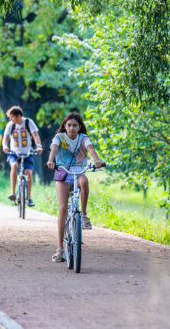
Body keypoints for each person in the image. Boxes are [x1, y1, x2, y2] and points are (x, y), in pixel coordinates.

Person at [46, 112, 103, 262]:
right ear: (64, 126)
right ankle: (59, 249)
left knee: (84, 182)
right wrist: (50, 161)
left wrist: (97, 160)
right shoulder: (59, 138)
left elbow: (90, 148)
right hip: (63, 172)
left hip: (79, 171)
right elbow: (53, 149)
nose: (71, 128)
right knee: (63, 208)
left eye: (75, 126)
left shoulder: (83, 138)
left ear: (79, 127)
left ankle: (83, 215)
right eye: (69, 125)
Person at [2, 106, 43, 207]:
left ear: (19, 116)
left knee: (28, 172)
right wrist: (5, 146)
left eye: (12, 117)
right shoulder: (10, 125)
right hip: (14, 153)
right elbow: (5, 138)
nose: (10, 119)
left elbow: (35, 136)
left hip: (27, 152)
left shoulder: (29, 122)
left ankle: (29, 197)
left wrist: (38, 146)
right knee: (14, 165)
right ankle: (13, 193)